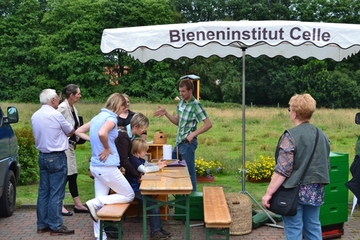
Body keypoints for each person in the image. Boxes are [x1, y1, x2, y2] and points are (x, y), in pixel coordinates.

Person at [261, 93, 330, 240]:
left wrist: (268, 193)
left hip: (294, 191)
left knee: (293, 229)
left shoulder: (290, 136)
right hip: (316, 190)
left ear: (294, 113)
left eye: (290, 109)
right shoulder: (322, 134)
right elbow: (325, 164)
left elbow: (283, 169)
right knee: (313, 226)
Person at [75, 93, 135, 240]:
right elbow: (102, 133)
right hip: (107, 167)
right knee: (129, 195)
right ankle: (95, 202)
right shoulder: (111, 118)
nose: (124, 109)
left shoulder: (97, 117)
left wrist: (93, 140)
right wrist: (107, 147)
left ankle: (99, 236)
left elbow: (78, 131)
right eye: (123, 106)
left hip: (96, 166)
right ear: (118, 106)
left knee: (98, 207)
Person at [154, 79, 212, 191]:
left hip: (188, 144)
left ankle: (191, 200)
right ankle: (177, 198)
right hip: (178, 143)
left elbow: (208, 124)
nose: (181, 93)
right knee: (169, 166)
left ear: (190, 90)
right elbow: (177, 122)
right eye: (180, 91)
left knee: (189, 173)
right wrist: (166, 113)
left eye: (183, 91)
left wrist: (193, 134)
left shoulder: (196, 105)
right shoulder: (180, 103)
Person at [31, 89, 75, 235]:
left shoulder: (35, 115)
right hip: (57, 156)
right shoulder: (56, 115)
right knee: (56, 192)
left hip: (42, 155)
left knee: (44, 191)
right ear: (53, 100)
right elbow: (70, 131)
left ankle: (42, 224)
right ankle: (56, 225)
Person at [125, 138, 171, 240]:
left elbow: (148, 165)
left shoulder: (139, 159)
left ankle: (159, 228)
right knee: (153, 205)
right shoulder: (133, 160)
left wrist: (157, 165)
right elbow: (144, 169)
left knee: (154, 204)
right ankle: (155, 232)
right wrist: (158, 168)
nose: (146, 152)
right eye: (145, 150)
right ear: (138, 150)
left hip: (141, 189)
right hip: (135, 191)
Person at [57, 84, 89, 216]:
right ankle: (59, 204)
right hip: (64, 146)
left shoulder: (72, 107)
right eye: (78, 94)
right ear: (71, 95)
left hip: (71, 146)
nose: (80, 96)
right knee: (66, 175)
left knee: (73, 175)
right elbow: (55, 124)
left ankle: (77, 204)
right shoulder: (62, 108)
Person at [115, 112, 149, 180]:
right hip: (108, 166)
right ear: (135, 126)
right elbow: (124, 160)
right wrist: (138, 175)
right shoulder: (123, 136)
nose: (144, 131)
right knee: (127, 190)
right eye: (143, 129)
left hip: (111, 166)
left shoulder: (130, 135)